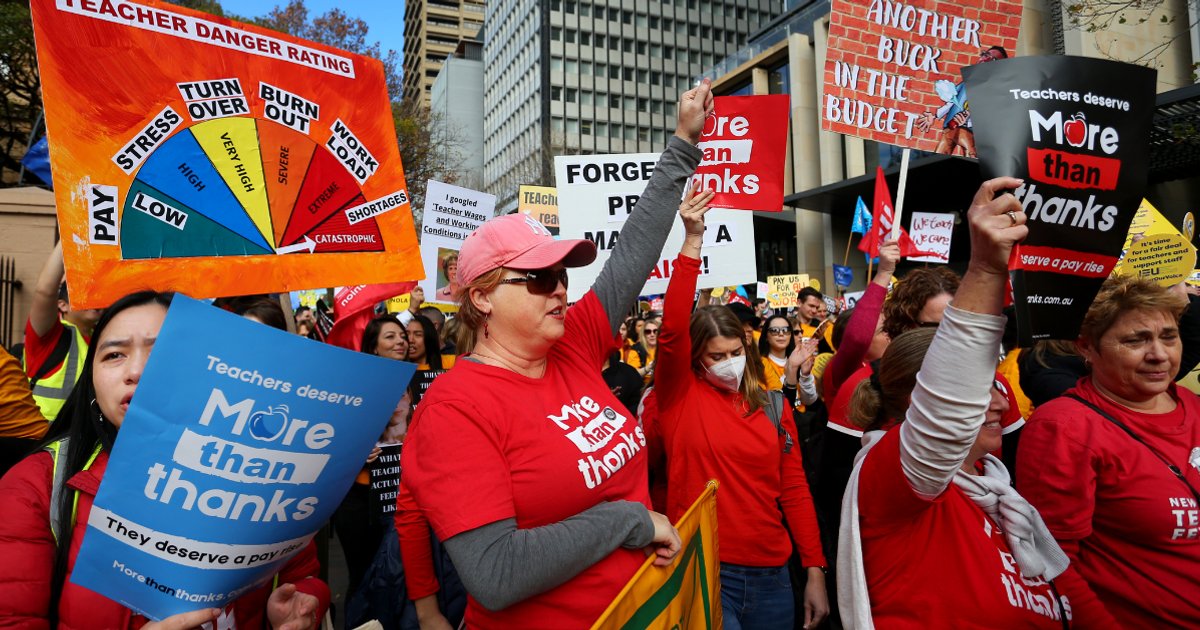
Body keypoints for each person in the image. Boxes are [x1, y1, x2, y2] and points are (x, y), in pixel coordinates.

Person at [401, 80, 712, 628]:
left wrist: (683, 142)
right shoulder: (453, 410)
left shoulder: (574, 341)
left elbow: (632, 253)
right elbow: (496, 573)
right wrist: (630, 521)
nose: (561, 290)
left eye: (563, 276)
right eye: (539, 278)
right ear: (481, 298)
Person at [838, 177, 1094, 628]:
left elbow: (1075, 598)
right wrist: (986, 270)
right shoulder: (891, 463)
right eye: (940, 326)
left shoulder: (999, 490)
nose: (993, 398)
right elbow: (947, 413)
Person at [0, 291, 329, 629]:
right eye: (114, 354)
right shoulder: (35, 485)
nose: (137, 370)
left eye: (163, 351)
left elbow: (302, 575)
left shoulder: (259, 472)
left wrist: (303, 603)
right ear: (92, 383)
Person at [657, 185, 827, 630]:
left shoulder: (773, 405)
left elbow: (793, 489)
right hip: (704, 568)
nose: (728, 362)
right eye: (716, 356)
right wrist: (692, 241)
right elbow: (673, 328)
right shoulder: (677, 396)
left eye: (735, 351)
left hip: (774, 575)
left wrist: (815, 568)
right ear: (695, 357)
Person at [1016, 274, 1200, 627]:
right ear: (1086, 347)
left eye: (1169, 337)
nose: (1158, 355)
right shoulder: (1065, 427)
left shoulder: (1192, 405)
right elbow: (1051, 563)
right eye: (1136, 340)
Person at [24, 242, 102, 421]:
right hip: (43, 441)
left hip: (80, 442)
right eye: (84, 294)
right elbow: (45, 291)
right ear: (62, 305)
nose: (94, 300)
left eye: (96, 294)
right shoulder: (49, 336)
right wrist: (67, 234)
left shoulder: (103, 339)